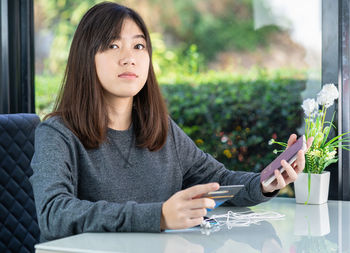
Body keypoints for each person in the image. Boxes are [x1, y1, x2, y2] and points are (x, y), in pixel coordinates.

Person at [30, 1, 313, 242]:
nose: (129, 58)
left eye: (139, 46)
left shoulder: (160, 128)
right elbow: (54, 213)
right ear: (85, 58)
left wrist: (265, 182)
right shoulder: (57, 134)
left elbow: (220, 181)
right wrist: (159, 216)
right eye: (112, 45)